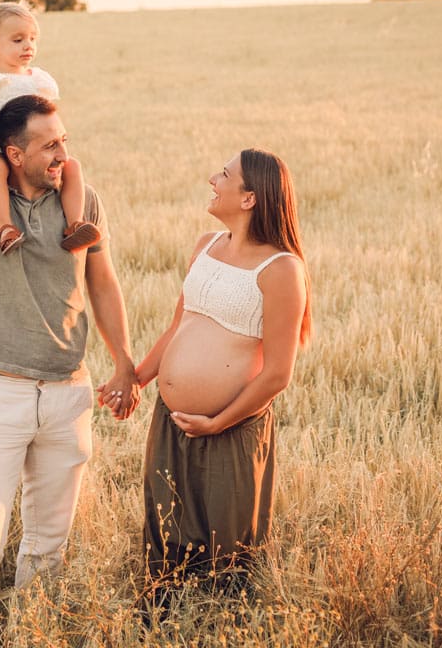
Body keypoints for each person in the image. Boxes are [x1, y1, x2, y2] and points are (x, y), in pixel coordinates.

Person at [0, 93, 140, 644]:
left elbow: (103, 282)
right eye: (49, 145)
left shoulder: (82, 201)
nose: (62, 155)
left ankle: (32, 635)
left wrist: (123, 361)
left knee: (49, 546)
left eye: (64, 141)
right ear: (13, 153)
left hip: (69, 394)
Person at [131, 148, 311, 600]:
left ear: (249, 198)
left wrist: (217, 421)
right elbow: (178, 327)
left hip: (231, 429)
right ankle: (162, 621)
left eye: (225, 174)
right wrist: (134, 380)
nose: (213, 178)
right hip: (171, 422)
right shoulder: (205, 245)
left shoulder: (282, 269)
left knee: (227, 548)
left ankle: (226, 626)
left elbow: (277, 375)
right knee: (166, 534)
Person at [0, 0, 101, 254]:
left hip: (31, 148)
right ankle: (6, 227)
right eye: (18, 40)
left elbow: (47, 118)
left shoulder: (37, 79)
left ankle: (75, 224)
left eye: (32, 39)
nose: (28, 46)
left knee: (73, 166)